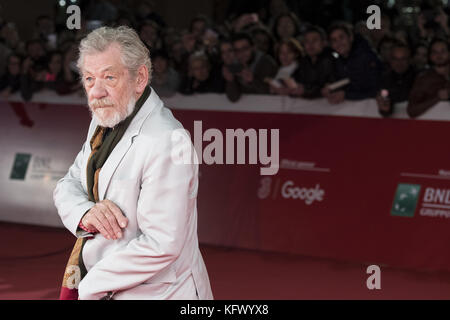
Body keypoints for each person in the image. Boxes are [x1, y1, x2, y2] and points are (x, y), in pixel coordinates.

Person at [53, 26, 213, 300]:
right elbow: (69, 183)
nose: (96, 92)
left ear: (140, 78)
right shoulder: (104, 118)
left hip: (160, 293)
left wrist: (90, 286)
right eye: (89, 79)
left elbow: (161, 244)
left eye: (109, 77)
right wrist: (85, 213)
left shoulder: (168, 140)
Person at [323, 21, 382, 104]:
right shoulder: (337, 59)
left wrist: (346, 95)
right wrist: (331, 87)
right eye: (334, 40)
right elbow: (347, 81)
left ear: (350, 37)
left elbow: (376, 89)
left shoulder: (367, 57)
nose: (338, 43)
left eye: (341, 37)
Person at [224, 32, 278, 102]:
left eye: (245, 48)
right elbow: (233, 98)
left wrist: (253, 80)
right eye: (237, 50)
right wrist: (230, 81)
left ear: (254, 47)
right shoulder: (235, 64)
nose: (241, 53)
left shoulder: (266, 63)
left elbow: (273, 94)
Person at [407, 38, 450, 118]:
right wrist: (437, 98)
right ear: (430, 56)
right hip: (432, 126)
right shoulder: (423, 79)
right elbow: (412, 111)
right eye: (435, 52)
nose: (439, 55)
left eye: (443, 51)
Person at [291, 26, 335, 99]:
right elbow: (295, 79)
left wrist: (305, 90)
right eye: (307, 41)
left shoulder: (331, 60)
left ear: (324, 42)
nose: (310, 44)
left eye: (314, 40)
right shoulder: (303, 61)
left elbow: (324, 85)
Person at [376, 42, 417, 117]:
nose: (399, 63)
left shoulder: (419, 79)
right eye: (395, 59)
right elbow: (385, 106)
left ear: (410, 60)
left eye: (403, 59)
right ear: (390, 60)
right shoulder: (383, 80)